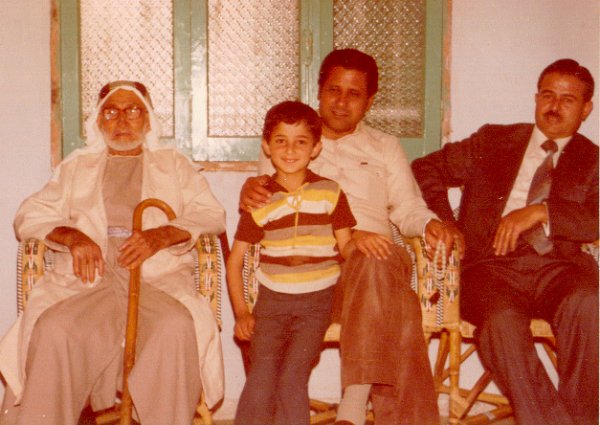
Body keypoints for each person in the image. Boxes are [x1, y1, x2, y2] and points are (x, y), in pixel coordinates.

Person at [241, 49, 458, 425]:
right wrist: (352, 234)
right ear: (319, 91)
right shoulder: (292, 142)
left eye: (354, 93)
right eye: (333, 90)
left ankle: (352, 409)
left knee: (373, 259)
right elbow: (272, 206)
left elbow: (408, 207)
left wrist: (429, 225)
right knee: (402, 310)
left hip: (376, 262)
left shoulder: (385, 146)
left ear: (370, 101)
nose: (341, 102)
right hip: (313, 278)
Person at [0, 81, 226, 425]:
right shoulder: (78, 166)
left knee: (176, 327)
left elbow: (211, 214)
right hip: (90, 279)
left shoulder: (173, 165)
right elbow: (30, 215)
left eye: (132, 110)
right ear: (99, 121)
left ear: (148, 120)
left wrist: (162, 235)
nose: (121, 120)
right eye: (111, 111)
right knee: (54, 329)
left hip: (155, 278)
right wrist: (73, 237)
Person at [412, 59, 598, 425]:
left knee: (591, 302)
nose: (554, 107)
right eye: (547, 95)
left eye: (568, 99)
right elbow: (424, 169)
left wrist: (542, 211)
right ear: (536, 98)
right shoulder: (494, 140)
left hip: (558, 269)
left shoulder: (593, 159)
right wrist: (446, 223)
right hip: (490, 268)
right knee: (501, 322)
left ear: (586, 109)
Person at [228, 101, 356, 425]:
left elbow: (347, 247)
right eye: (281, 141)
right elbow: (235, 261)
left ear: (316, 148)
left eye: (300, 141)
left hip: (317, 302)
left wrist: (364, 243)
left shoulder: (330, 192)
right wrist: (242, 312)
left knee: (292, 378)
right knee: (261, 378)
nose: (290, 150)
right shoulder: (259, 199)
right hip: (272, 302)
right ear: (266, 146)